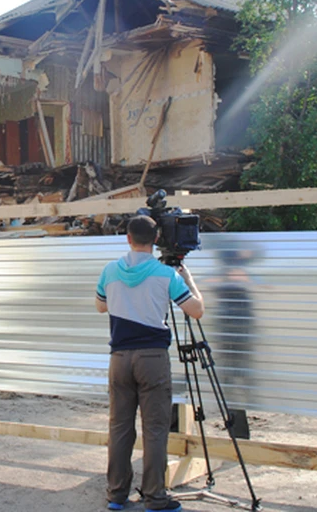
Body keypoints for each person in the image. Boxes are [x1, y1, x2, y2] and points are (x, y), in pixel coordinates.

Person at [95, 215, 205, 512]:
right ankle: (155, 497)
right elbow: (196, 311)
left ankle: (116, 495)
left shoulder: (109, 270)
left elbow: (100, 305)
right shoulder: (166, 275)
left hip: (119, 359)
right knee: (155, 428)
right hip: (152, 359)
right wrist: (189, 279)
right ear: (156, 240)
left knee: (119, 427)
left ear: (128, 239)